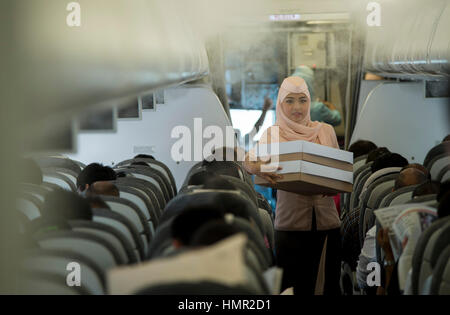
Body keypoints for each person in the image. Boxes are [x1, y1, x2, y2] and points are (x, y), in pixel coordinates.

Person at [243, 76, 341, 295]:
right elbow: (248, 161)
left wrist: (332, 183)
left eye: (302, 100)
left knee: (326, 288)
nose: (297, 107)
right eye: (290, 101)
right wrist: (258, 167)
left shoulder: (325, 131)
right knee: (292, 288)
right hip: (290, 225)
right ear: (280, 104)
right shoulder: (273, 134)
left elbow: (338, 172)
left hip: (327, 223)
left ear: (309, 102)